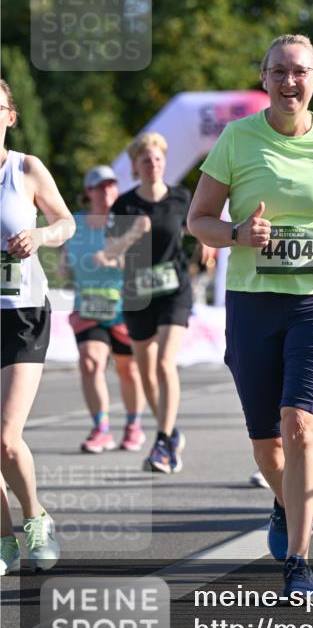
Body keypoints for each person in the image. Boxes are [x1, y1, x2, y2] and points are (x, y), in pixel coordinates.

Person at [187, 34, 313, 598]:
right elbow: (198, 220)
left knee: (301, 424)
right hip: (255, 301)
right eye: (278, 71)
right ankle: (284, 499)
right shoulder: (237, 138)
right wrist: (234, 234)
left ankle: (298, 560)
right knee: (266, 444)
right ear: (264, 78)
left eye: (299, 72)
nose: (289, 81)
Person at [99, 132, 207, 474]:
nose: (153, 165)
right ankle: (171, 431)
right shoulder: (125, 205)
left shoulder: (179, 197)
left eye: (158, 159)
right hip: (137, 292)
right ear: (135, 166)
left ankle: (161, 440)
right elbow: (109, 254)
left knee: (164, 364)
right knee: (145, 371)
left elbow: (200, 226)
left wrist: (208, 243)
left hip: (174, 289)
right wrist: (132, 234)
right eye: (146, 160)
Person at [1, 79, 75, 574]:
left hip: (23, 312)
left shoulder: (25, 168)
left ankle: (35, 518)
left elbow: (66, 221)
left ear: (9, 116)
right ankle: (3, 539)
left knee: (5, 437)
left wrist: (40, 235)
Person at [64, 166, 148, 454]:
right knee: (90, 362)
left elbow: (140, 263)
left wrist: (113, 262)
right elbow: (65, 264)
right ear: (89, 193)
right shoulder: (74, 224)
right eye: (100, 187)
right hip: (88, 307)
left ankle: (134, 425)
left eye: (112, 186)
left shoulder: (126, 223)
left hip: (124, 308)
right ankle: (101, 428)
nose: (107, 191)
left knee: (129, 370)